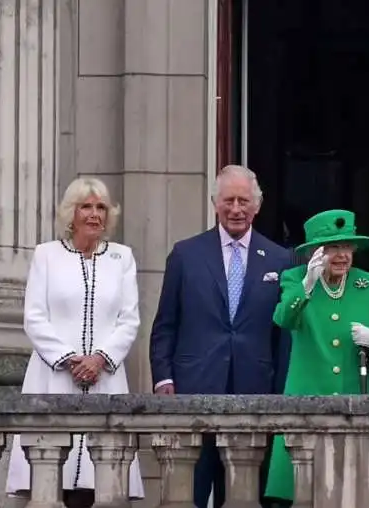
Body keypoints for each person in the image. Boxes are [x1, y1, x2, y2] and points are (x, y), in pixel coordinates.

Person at [149, 165, 293, 508]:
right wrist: (163, 377)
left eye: (244, 201)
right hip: (193, 389)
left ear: (257, 206)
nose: (236, 209)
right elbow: (166, 323)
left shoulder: (280, 258)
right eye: (229, 200)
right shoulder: (186, 254)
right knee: (189, 494)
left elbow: (283, 336)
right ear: (216, 203)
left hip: (254, 392)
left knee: (242, 495)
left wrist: (282, 393)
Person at [6, 178, 144, 508]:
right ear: (72, 212)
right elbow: (34, 318)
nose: (94, 214)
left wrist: (99, 359)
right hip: (53, 378)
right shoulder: (46, 255)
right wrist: (69, 359)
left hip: (105, 378)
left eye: (101, 207)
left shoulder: (122, 258)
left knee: (102, 484)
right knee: (50, 479)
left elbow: (129, 319)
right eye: (86, 206)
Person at [264, 209, 369, 502]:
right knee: (304, 494)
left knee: (350, 495)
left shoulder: (368, 284)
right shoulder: (295, 279)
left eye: (347, 246)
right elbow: (282, 319)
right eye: (333, 247)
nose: (342, 255)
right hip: (305, 408)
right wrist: (307, 285)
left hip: (353, 411)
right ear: (315, 252)